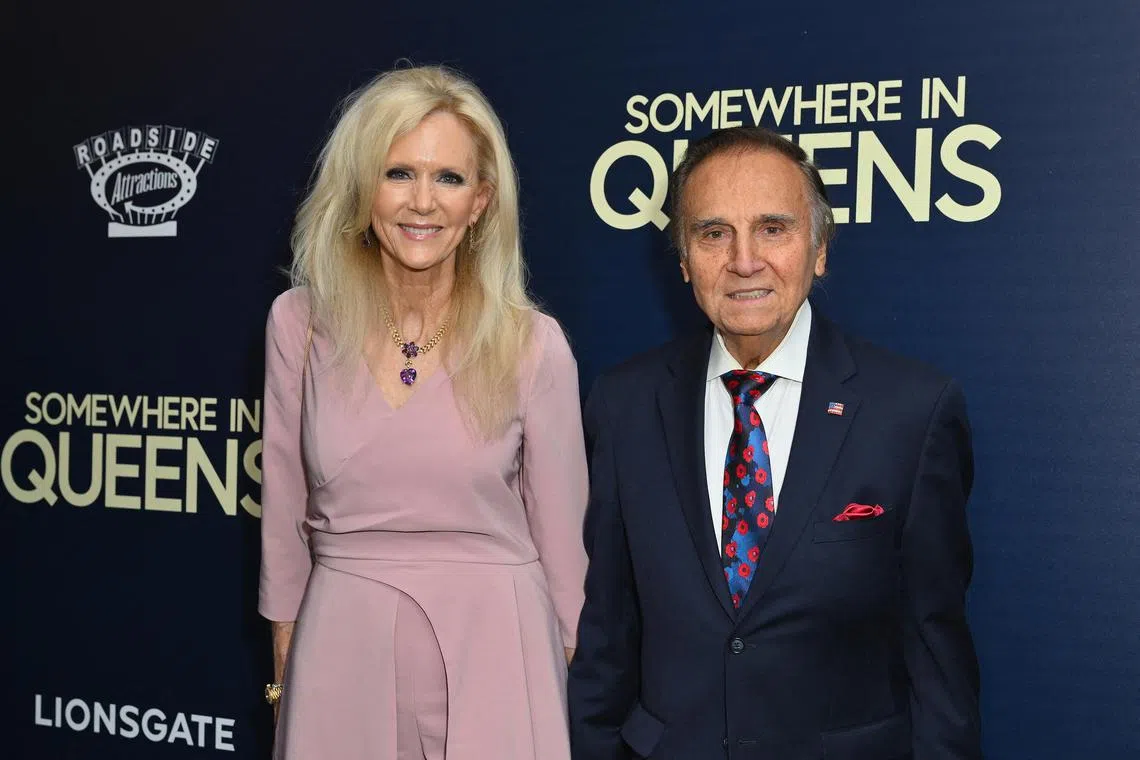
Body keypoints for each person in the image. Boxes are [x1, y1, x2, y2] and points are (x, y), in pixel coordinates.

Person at [567, 126, 981, 760]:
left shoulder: (913, 412)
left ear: (819, 249)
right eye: (713, 234)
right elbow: (607, 636)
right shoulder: (623, 404)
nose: (743, 260)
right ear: (682, 261)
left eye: (773, 228)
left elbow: (936, 653)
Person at [259, 65, 588, 760]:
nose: (422, 203)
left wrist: (558, 677)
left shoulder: (532, 344)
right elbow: (285, 502)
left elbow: (563, 541)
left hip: (500, 643)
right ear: (361, 188)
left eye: (449, 179)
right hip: (341, 640)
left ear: (481, 203)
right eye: (399, 172)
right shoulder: (301, 324)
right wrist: (286, 653)